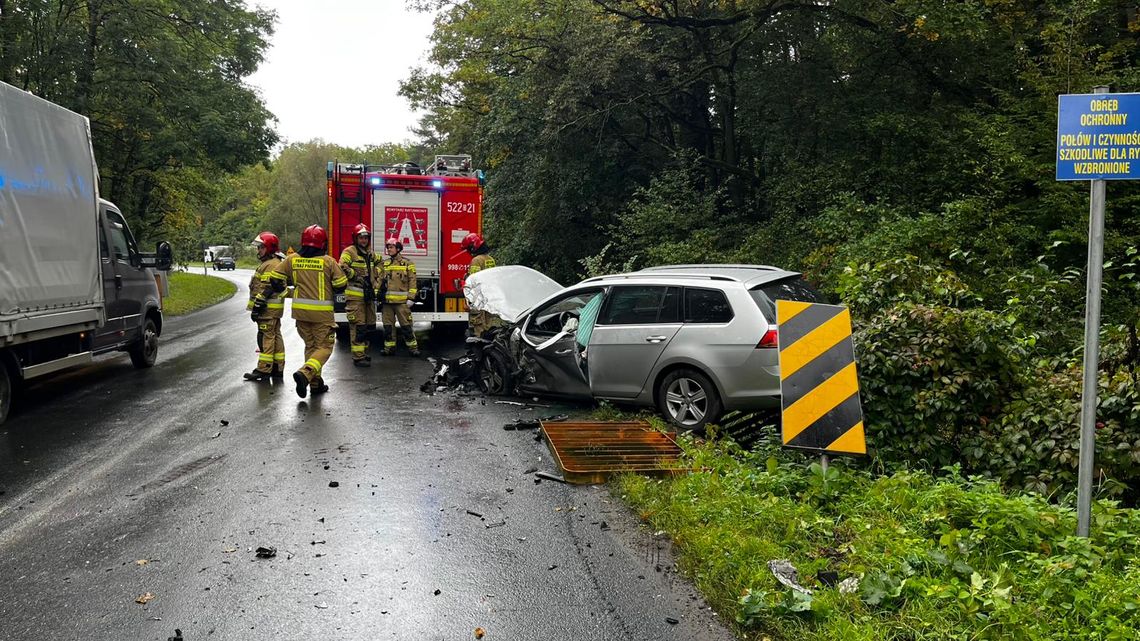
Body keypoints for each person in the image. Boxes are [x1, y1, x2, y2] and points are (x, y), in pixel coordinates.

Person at [261, 225, 347, 398]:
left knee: (311, 347)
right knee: (325, 347)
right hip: (322, 315)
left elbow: (275, 278)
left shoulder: (292, 259)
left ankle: (314, 384)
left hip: (300, 314)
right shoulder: (328, 261)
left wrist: (284, 290)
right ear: (323, 243)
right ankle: (305, 373)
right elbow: (341, 285)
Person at [244, 232, 286, 382]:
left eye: (261, 247)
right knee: (275, 336)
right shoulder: (273, 262)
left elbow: (266, 289)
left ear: (269, 248)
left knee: (266, 337)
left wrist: (257, 307)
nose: (259, 250)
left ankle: (263, 369)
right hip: (272, 310)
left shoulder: (271, 265)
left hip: (267, 309)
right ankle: (277, 367)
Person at [338, 223, 381, 367]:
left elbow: (381, 263)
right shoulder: (349, 252)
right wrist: (355, 276)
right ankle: (358, 357)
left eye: (366, 238)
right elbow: (341, 265)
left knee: (369, 326)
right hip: (355, 296)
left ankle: (363, 352)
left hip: (368, 295)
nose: (364, 240)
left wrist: (376, 275)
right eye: (361, 238)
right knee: (358, 326)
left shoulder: (370, 253)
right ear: (355, 238)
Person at [380, 237, 420, 356]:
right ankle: (389, 348)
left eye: (391, 247)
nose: (389, 249)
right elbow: (379, 281)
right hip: (387, 303)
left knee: (406, 327)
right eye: (388, 247)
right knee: (388, 328)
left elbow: (413, 281)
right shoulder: (385, 264)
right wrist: (377, 296)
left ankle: (413, 348)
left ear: (398, 248)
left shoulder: (408, 263)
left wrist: (411, 298)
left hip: (402, 303)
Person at [458, 232, 501, 338]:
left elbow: (473, 280)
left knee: (478, 327)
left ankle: (478, 344)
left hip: (478, 299)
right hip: (489, 298)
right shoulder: (490, 259)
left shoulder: (476, 260)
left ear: (473, 247)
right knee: (488, 325)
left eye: (468, 249)